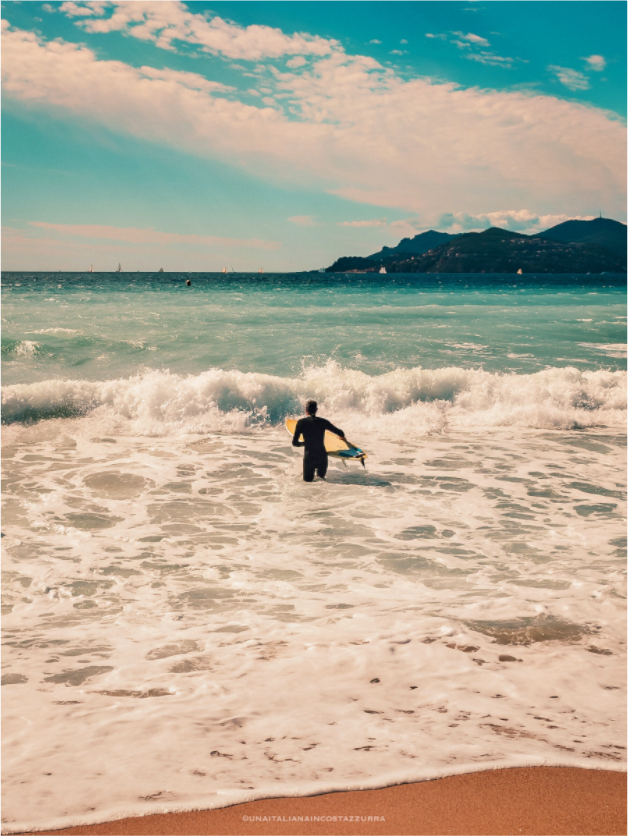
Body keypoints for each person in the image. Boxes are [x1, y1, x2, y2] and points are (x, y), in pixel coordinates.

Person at [292, 400, 345, 482]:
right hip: (322, 456)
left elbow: (294, 443)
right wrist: (342, 438)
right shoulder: (323, 422)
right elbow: (340, 432)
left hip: (309, 457)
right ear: (316, 410)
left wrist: (305, 443)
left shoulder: (301, 423)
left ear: (306, 410)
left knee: (308, 484)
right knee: (322, 482)